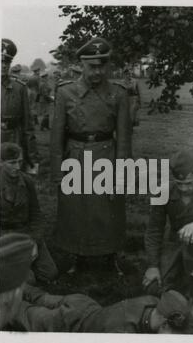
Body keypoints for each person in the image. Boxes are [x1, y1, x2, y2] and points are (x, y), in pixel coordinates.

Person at [0, 233, 193, 333]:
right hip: (69, 321)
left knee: (40, 297)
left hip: (83, 303)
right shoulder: (123, 331)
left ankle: (12, 283)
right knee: (23, 312)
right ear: (165, 325)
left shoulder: (151, 301)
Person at [51, 37, 132, 272]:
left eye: (102, 66)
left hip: (106, 155)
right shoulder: (66, 93)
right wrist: (58, 171)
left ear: (107, 66)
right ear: (82, 65)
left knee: (108, 208)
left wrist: (123, 172)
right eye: (92, 66)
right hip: (75, 156)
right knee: (76, 208)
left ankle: (111, 255)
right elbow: (57, 135)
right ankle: (77, 255)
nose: (97, 72)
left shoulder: (118, 93)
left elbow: (125, 137)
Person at [143, 150, 193, 296]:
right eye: (179, 184)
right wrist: (152, 265)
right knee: (153, 287)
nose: (184, 189)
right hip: (175, 245)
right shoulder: (163, 192)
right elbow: (154, 231)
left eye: (189, 183)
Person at [0, 142, 58, 283]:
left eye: (19, 162)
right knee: (28, 280)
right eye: (12, 163)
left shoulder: (27, 181)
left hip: (25, 231)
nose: (17, 167)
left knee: (50, 273)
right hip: (2, 235)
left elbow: (36, 215)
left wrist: (34, 241)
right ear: (0, 163)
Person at [1, 39, 38, 172]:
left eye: (7, 62)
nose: (4, 66)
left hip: (14, 142)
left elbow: (28, 126)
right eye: (0, 61)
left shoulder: (19, 88)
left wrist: (32, 160)